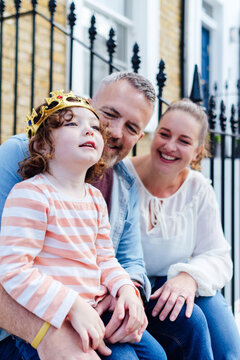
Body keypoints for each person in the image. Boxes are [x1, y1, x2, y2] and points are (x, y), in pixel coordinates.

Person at [0, 72, 214, 360]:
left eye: (131, 127)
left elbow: (122, 259)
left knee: (187, 326)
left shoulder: (114, 187)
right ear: (90, 104)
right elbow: (11, 265)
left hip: (95, 306)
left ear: (139, 137)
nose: (112, 131)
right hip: (33, 315)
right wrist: (43, 332)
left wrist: (128, 292)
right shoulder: (23, 163)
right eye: (108, 115)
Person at [123, 98, 240, 359]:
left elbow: (218, 255)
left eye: (184, 141)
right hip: (130, 287)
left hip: (177, 282)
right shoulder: (122, 176)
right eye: (164, 134)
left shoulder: (198, 188)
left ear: (198, 151)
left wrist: (188, 278)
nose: (170, 146)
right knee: (192, 323)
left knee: (228, 350)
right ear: (153, 134)